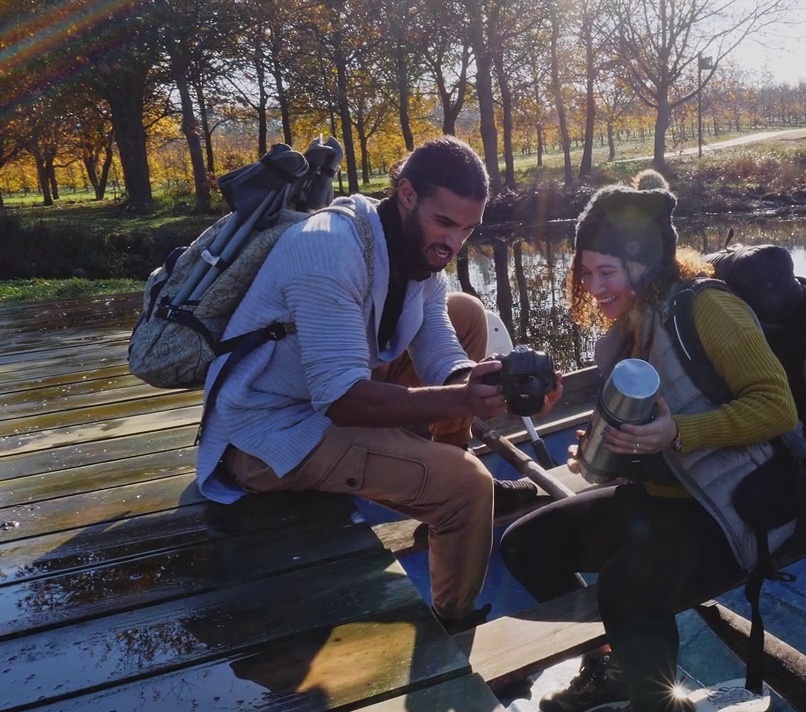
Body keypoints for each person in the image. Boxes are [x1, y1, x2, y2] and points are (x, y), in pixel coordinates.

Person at [194, 136, 551, 633]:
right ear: (407, 194)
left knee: (467, 312)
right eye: (444, 223)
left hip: (326, 392)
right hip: (269, 432)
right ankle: (454, 619)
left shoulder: (412, 248)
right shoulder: (329, 249)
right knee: (467, 486)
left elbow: (440, 348)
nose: (453, 244)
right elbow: (342, 400)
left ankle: (443, 491)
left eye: (467, 230)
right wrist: (462, 398)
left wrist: (480, 381)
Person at [499, 170, 797, 712]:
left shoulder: (708, 309)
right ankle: (612, 667)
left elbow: (778, 408)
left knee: (626, 587)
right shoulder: (632, 325)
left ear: (646, 264)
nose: (595, 286)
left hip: (741, 506)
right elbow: (652, 433)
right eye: (585, 271)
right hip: (670, 497)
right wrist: (608, 452)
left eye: (606, 271)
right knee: (526, 546)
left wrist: (679, 433)